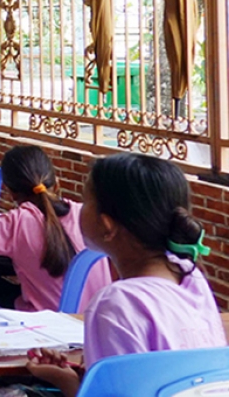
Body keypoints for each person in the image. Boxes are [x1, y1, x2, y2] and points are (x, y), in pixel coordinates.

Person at [28, 154, 226, 397]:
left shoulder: (115, 303)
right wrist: (89, 376)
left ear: (106, 226)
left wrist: (67, 384)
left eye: (86, 201)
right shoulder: (192, 277)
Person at [0, 145, 111, 311]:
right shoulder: (84, 214)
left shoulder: (15, 223)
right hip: (92, 318)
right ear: (57, 184)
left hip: (44, 321)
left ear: (10, 192)